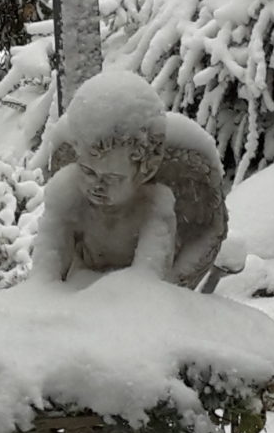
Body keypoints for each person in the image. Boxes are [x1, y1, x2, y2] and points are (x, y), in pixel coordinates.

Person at [31, 71, 182, 284]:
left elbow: (150, 284)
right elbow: (44, 276)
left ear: (145, 172)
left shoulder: (153, 205)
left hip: (129, 304)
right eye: (88, 172)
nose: (97, 185)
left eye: (112, 178)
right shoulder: (68, 192)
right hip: (76, 296)